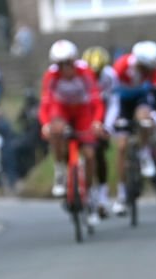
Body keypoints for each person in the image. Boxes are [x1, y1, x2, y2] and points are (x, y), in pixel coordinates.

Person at [104, 40, 156, 216]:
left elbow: (155, 95)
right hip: (121, 102)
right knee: (122, 147)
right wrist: (110, 122)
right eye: (145, 68)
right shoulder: (121, 66)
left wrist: (155, 117)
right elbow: (111, 97)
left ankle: (145, 152)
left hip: (140, 100)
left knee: (144, 119)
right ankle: (122, 196)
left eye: (150, 69)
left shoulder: (153, 71)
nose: (148, 72)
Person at [38, 40, 103, 199]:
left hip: (82, 111)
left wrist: (96, 121)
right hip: (62, 110)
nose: (65, 69)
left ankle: (89, 190)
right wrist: (46, 124)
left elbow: (96, 101)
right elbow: (45, 103)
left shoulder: (85, 73)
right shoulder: (51, 76)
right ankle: (60, 170)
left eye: (68, 63)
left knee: (89, 154)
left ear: (74, 61)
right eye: (60, 65)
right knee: (57, 129)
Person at [82, 46, 118, 221]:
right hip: (82, 113)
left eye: (98, 72)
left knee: (99, 154)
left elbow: (113, 102)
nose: (94, 76)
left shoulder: (110, 76)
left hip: (101, 113)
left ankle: (102, 197)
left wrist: (107, 126)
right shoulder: (79, 74)